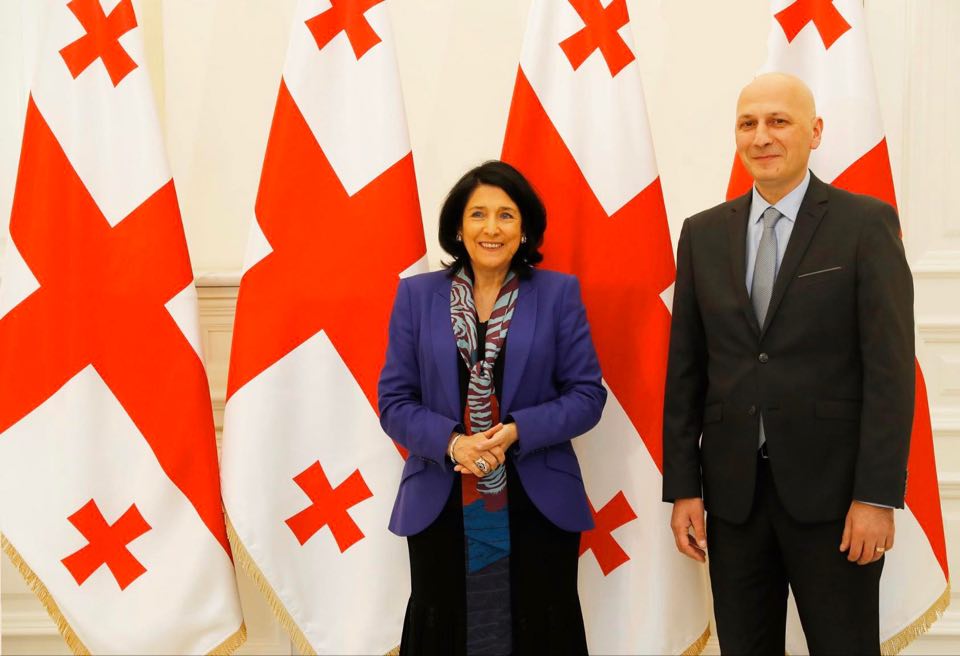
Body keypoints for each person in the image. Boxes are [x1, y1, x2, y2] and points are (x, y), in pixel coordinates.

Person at [662, 73, 915, 655]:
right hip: (732, 500)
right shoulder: (702, 234)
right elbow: (686, 371)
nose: (761, 137)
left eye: (778, 121)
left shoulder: (865, 224)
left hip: (837, 499)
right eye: (747, 123)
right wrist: (684, 488)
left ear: (814, 132)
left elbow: (891, 372)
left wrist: (876, 496)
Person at [378, 160, 606, 656]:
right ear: (458, 228)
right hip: (441, 499)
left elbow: (588, 396)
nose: (491, 228)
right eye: (478, 214)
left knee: (540, 630)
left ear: (524, 230)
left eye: (506, 215)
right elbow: (394, 402)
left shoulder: (557, 294)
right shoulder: (417, 296)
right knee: (446, 632)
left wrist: (518, 430)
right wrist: (453, 442)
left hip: (536, 500)